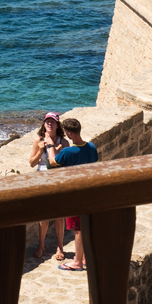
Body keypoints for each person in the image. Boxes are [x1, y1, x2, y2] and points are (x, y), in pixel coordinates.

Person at [47, 116, 98, 273]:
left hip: (74, 195)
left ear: (69, 134)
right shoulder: (91, 147)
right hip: (89, 192)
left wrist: (50, 145)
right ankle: (85, 258)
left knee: (78, 230)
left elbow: (52, 162)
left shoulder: (68, 152)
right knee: (86, 226)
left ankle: (77, 262)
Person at [29, 113, 67, 263]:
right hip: (42, 180)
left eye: (53, 122)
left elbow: (65, 164)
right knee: (43, 215)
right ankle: (41, 246)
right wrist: (40, 151)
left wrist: (57, 151)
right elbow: (32, 163)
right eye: (47, 121)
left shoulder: (64, 142)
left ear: (57, 125)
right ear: (44, 124)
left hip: (57, 180)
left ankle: (60, 247)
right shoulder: (38, 140)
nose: (50, 124)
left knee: (59, 215)